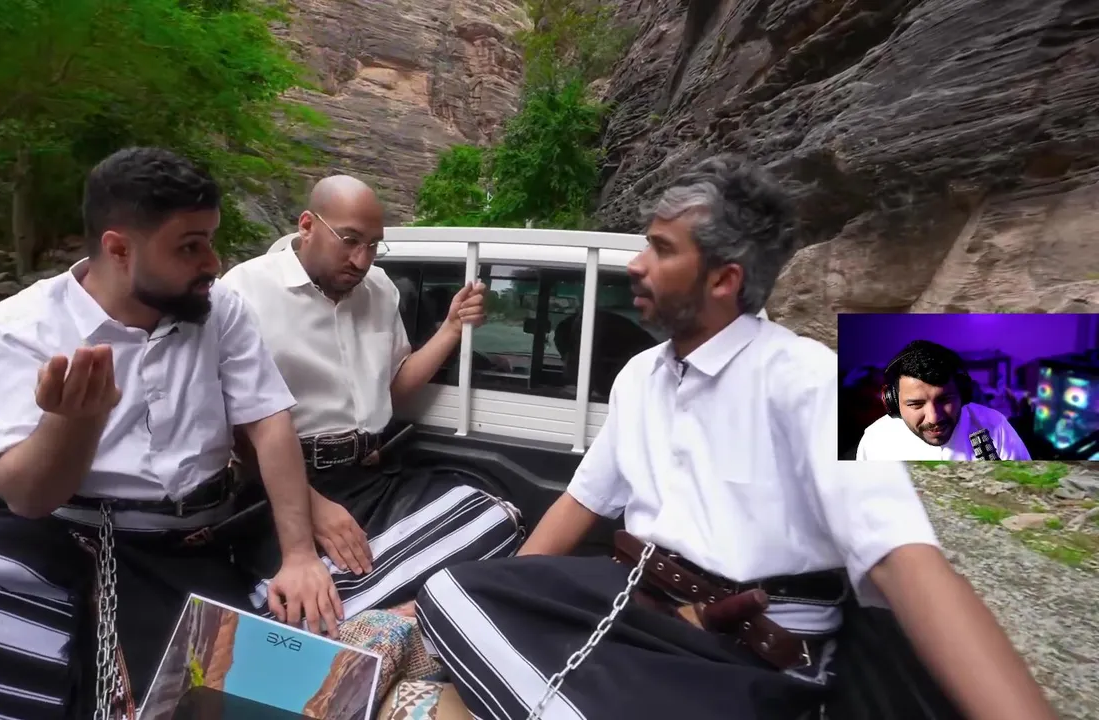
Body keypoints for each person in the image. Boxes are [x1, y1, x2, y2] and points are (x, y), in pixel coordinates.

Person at [415, 156, 1057, 720]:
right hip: (639, 609)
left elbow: (904, 561)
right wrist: (516, 597)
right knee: (452, 594)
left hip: (746, 653)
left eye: (660, 250)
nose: (636, 265)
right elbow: (581, 503)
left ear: (723, 280)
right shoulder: (640, 375)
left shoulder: (809, 380)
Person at [0, 147, 340, 719]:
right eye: (190, 246)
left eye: (210, 241)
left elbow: (268, 422)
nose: (212, 262)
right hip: (60, 538)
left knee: (252, 692)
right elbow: (29, 498)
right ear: (118, 249)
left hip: (196, 541)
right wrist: (74, 423)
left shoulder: (221, 310)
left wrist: (298, 554)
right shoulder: (17, 329)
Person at [218, 174, 524, 621]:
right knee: (303, 601)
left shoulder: (381, 289)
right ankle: (396, 612)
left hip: (372, 478)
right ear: (307, 225)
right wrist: (312, 507)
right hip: (283, 488)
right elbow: (237, 427)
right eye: (349, 241)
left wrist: (452, 328)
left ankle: (391, 615)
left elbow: (393, 391)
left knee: (498, 520)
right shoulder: (244, 291)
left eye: (373, 246)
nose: (361, 260)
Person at [856, 339, 1031, 461]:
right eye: (916, 404)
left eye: (945, 400)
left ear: (963, 394)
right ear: (893, 402)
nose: (934, 418)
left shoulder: (995, 426)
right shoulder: (875, 441)